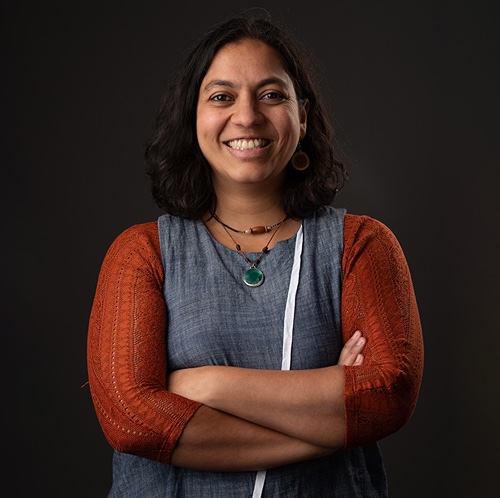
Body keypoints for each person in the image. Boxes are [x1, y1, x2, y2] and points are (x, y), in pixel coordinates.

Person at [87, 9, 424, 498]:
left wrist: (205, 386)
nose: (246, 116)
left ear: (302, 116)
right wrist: (326, 425)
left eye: (271, 95)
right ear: (193, 117)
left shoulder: (361, 245)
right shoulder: (141, 253)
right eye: (222, 96)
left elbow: (384, 397)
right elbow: (132, 419)